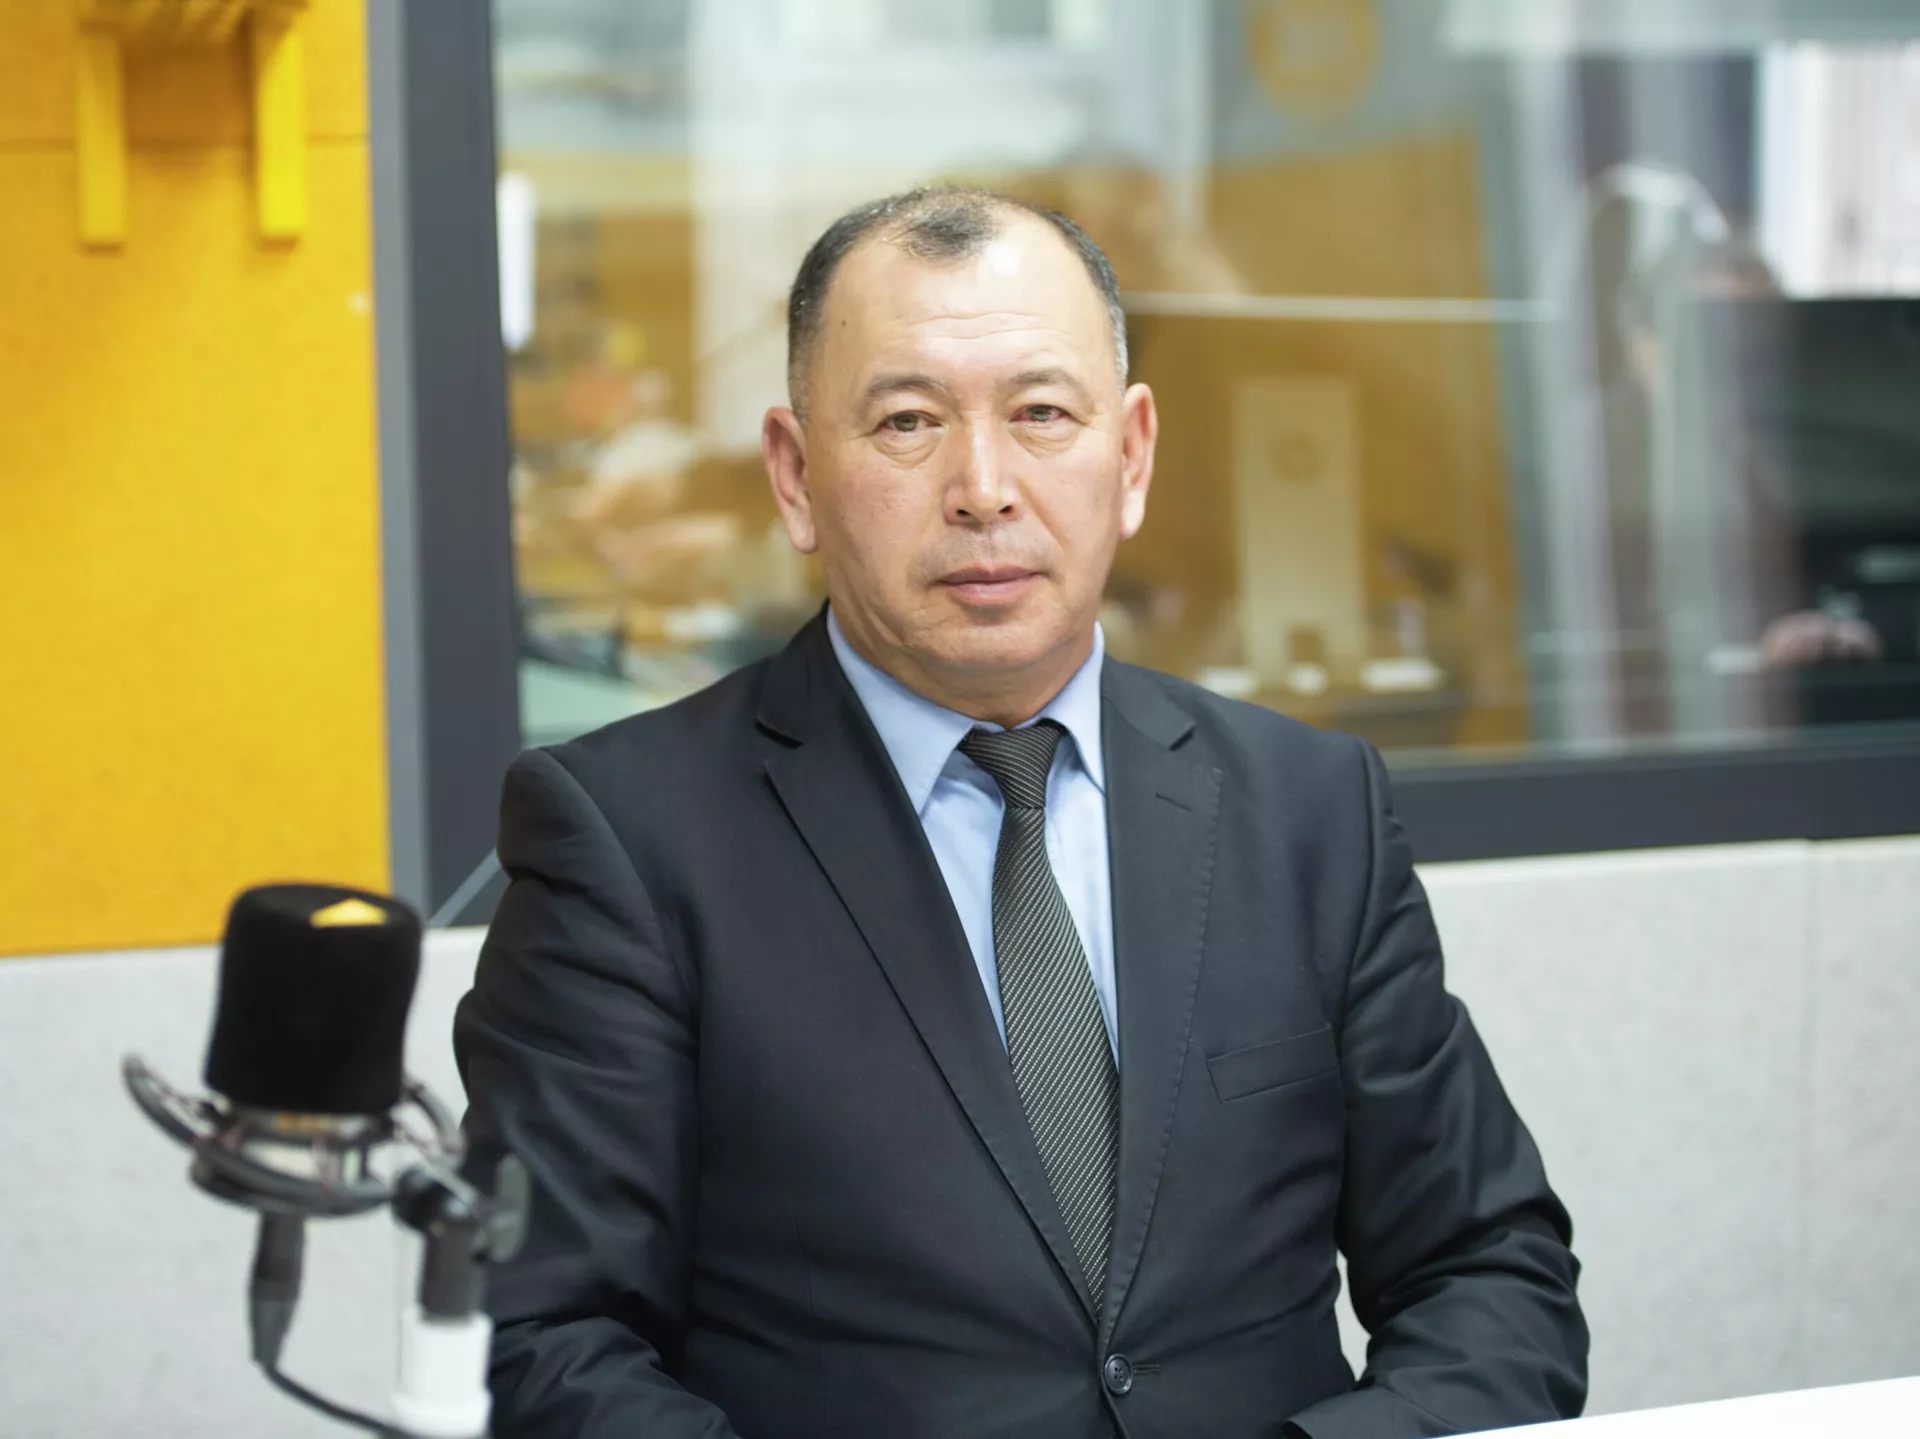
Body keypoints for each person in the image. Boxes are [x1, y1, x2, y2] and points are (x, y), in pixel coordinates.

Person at [455, 188, 1588, 1438]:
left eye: (1043, 413)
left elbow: (1490, 1272)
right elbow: (542, 1337)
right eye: (907, 421)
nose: (984, 487)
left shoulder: (1307, 808)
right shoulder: (626, 837)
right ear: (795, 474)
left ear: (1133, 455)